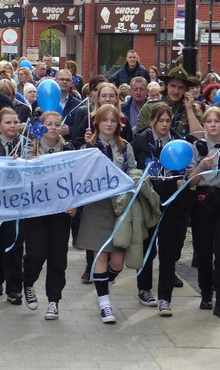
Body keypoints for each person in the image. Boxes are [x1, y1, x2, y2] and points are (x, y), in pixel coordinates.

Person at [131, 102, 193, 316]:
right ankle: (144, 288)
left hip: (172, 200)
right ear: (152, 121)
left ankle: (165, 298)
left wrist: (183, 180)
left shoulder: (177, 142)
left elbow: (186, 168)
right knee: (147, 246)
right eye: (161, 121)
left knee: (168, 249)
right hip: (148, 199)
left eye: (168, 121)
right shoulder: (140, 140)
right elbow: (135, 168)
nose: (165, 125)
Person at [77, 104, 136, 323]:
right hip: (97, 206)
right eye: (105, 120)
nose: (109, 124)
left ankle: (105, 285)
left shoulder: (125, 147)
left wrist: (136, 181)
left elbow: (132, 170)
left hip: (120, 206)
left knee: (118, 261)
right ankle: (104, 304)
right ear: (97, 123)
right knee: (100, 254)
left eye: (113, 120)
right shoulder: (88, 148)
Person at [187, 107, 220, 319]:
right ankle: (206, 291)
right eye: (208, 121)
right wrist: (201, 166)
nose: (212, 125)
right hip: (203, 199)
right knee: (203, 251)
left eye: (216, 121)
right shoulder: (198, 147)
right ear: (204, 125)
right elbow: (191, 181)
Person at [22, 111, 76, 320]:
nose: (53, 127)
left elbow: (76, 180)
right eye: (49, 124)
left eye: (57, 124)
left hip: (60, 211)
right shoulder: (29, 149)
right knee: (36, 253)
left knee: (58, 257)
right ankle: (28, 281)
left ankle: (54, 300)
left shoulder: (68, 149)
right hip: (36, 211)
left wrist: (74, 205)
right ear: (40, 127)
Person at [0, 107, 25, 305]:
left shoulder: (25, 144)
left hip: (17, 203)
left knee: (15, 244)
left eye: (15, 122)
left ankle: (14, 288)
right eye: (8, 122)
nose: (12, 126)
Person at [138, 66, 203, 140]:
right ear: (166, 86)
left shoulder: (189, 108)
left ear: (185, 90)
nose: (176, 91)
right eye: (173, 86)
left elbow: (199, 137)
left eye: (180, 87)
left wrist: (189, 109)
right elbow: (142, 138)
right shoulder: (149, 107)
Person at [55, 69, 82, 139]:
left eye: (67, 80)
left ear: (71, 83)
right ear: (55, 81)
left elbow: (82, 129)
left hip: (68, 143)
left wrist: (70, 130)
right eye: (61, 79)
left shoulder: (79, 105)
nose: (64, 82)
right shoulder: (45, 101)